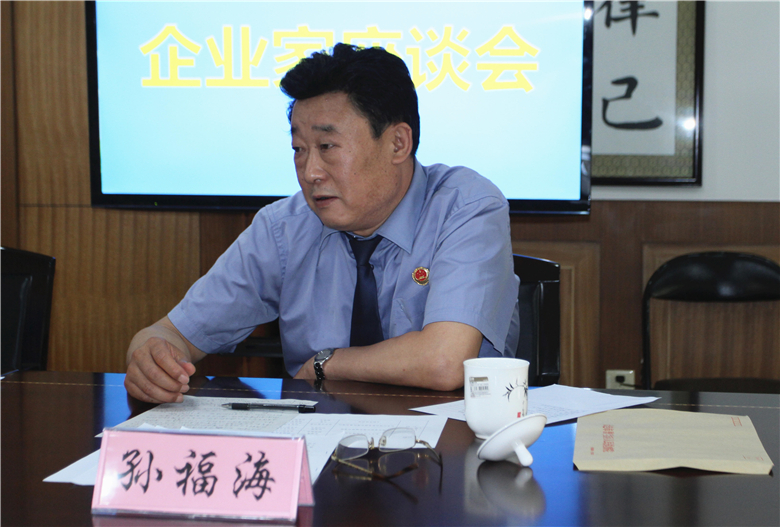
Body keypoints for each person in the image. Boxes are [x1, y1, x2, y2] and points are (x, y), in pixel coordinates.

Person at [125, 43, 519, 404]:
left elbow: (444, 361)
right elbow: (170, 333)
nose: (310, 171)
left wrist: (325, 363)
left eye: (327, 147)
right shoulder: (284, 229)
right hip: (318, 448)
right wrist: (150, 356)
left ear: (398, 143)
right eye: (299, 149)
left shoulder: (466, 206)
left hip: (449, 448)